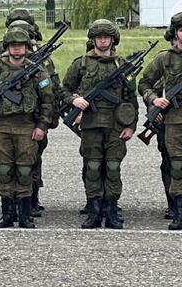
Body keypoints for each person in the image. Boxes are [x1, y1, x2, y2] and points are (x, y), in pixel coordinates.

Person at [0, 27, 53, 228]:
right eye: (13, 46)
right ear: (7, 47)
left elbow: (48, 101)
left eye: (20, 46)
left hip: (26, 127)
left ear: (26, 47)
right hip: (2, 126)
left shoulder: (37, 70)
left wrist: (42, 126)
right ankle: (7, 214)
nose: (16, 49)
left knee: (24, 172)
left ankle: (24, 215)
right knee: (5, 170)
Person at [62, 19, 137, 229]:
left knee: (112, 167)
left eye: (106, 37)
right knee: (93, 168)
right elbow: (64, 90)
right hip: (91, 125)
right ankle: (94, 211)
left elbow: (131, 99)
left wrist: (131, 126)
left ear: (113, 40)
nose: (102, 41)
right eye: (99, 37)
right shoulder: (81, 63)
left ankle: (111, 211)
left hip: (116, 125)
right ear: (93, 39)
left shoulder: (122, 65)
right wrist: (74, 101)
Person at [138, 12, 182, 230]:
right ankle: (177, 208)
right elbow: (144, 83)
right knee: (175, 165)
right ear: (176, 34)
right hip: (172, 121)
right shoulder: (164, 59)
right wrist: (155, 100)